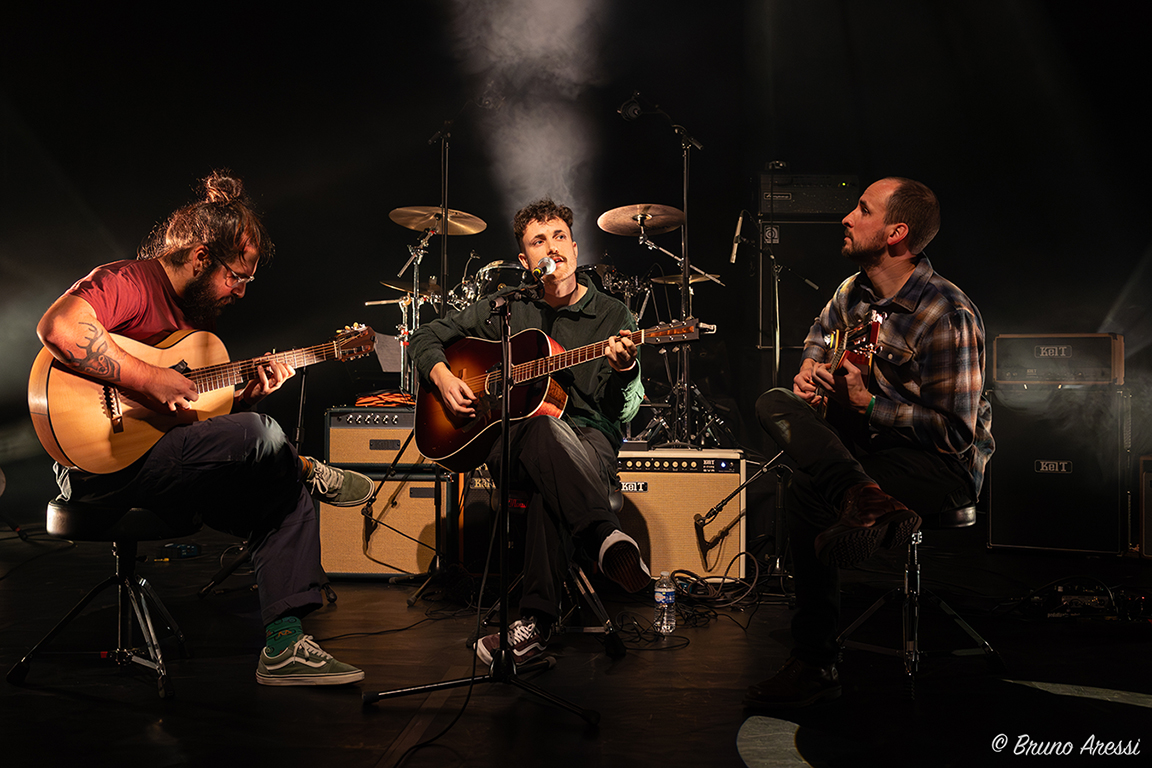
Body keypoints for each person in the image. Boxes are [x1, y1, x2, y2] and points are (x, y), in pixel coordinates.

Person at [36, 171, 374, 687]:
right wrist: (147, 377)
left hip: (163, 464)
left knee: (279, 485)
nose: (240, 292)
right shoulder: (130, 281)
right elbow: (59, 327)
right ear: (200, 257)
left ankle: (284, 646)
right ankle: (306, 466)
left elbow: (190, 421)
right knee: (263, 436)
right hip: (99, 468)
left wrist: (245, 396)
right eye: (236, 277)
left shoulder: (195, 325)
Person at [745, 177, 994, 708]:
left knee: (809, 489)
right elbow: (817, 343)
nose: (847, 218)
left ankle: (814, 662)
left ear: (896, 233)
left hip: (939, 465)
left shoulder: (946, 312)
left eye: (862, 210)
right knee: (772, 401)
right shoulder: (851, 292)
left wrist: (869, 405)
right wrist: (809, 373)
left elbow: (956, 435)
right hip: (869, 454)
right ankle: (863, 495)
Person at [408, 198, 650, 665]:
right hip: (512, 442)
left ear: (575, 249)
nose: (552, 247)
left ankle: (534, 626)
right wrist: (443, 376)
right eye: (539, 241)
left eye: (560, 237)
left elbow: (625, 410)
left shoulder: (613, 315)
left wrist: (627, 370)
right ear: (526, 260)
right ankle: (603, 535)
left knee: (547, 478)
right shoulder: (509, 308)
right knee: (540, 430)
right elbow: (425, 336)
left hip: (589, 440)